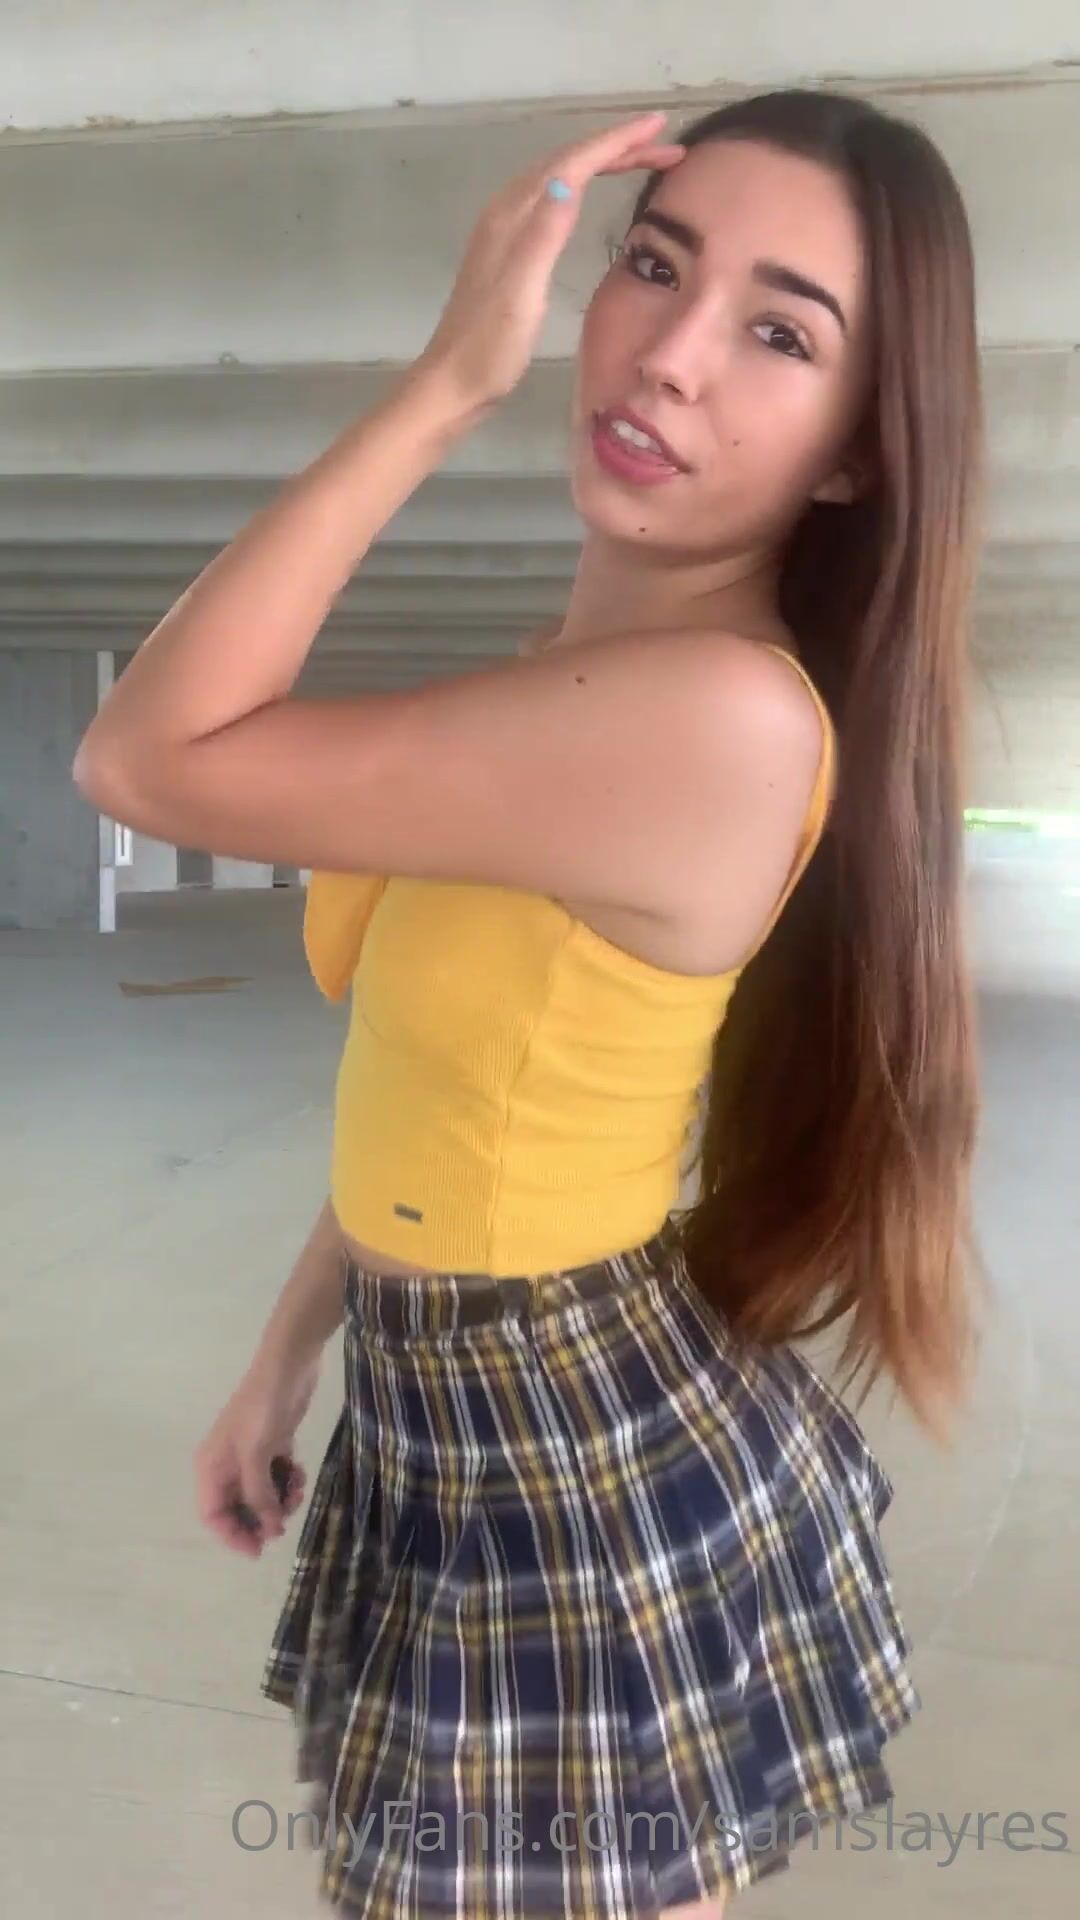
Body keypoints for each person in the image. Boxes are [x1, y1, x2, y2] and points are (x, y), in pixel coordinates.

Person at [73, 86, 984, 1920]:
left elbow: (143, 759)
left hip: (560, 1437)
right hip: (459, 1392)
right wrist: (291, 1349)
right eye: (656, 266)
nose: (669, 355)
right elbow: (438, 1090)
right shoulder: (570, 689)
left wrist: (443, 386)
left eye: (780, 334)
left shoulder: (711, 721)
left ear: (855, 453)